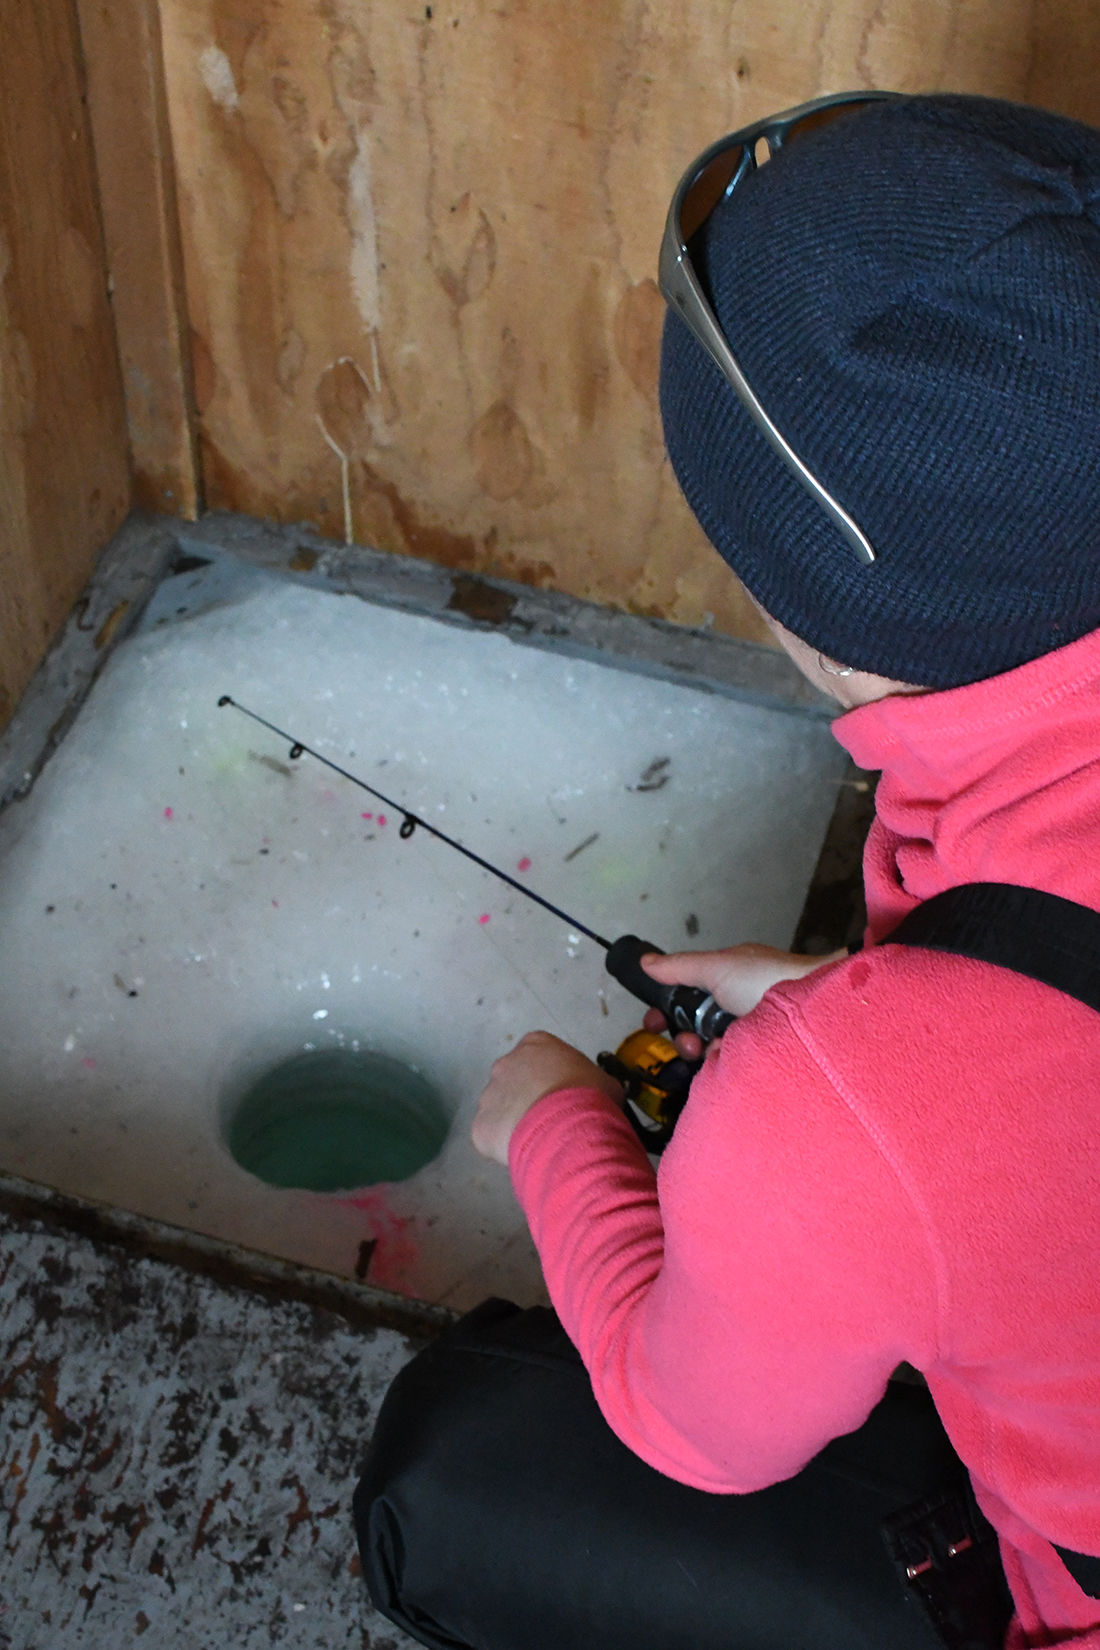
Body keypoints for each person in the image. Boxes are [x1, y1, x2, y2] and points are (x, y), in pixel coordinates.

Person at [354, 92, 1100, 1650]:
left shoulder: (846, 1112)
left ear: (826, 619)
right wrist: (897, 1005)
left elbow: (699, 1427)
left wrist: (558, 1120)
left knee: (451, 1471)